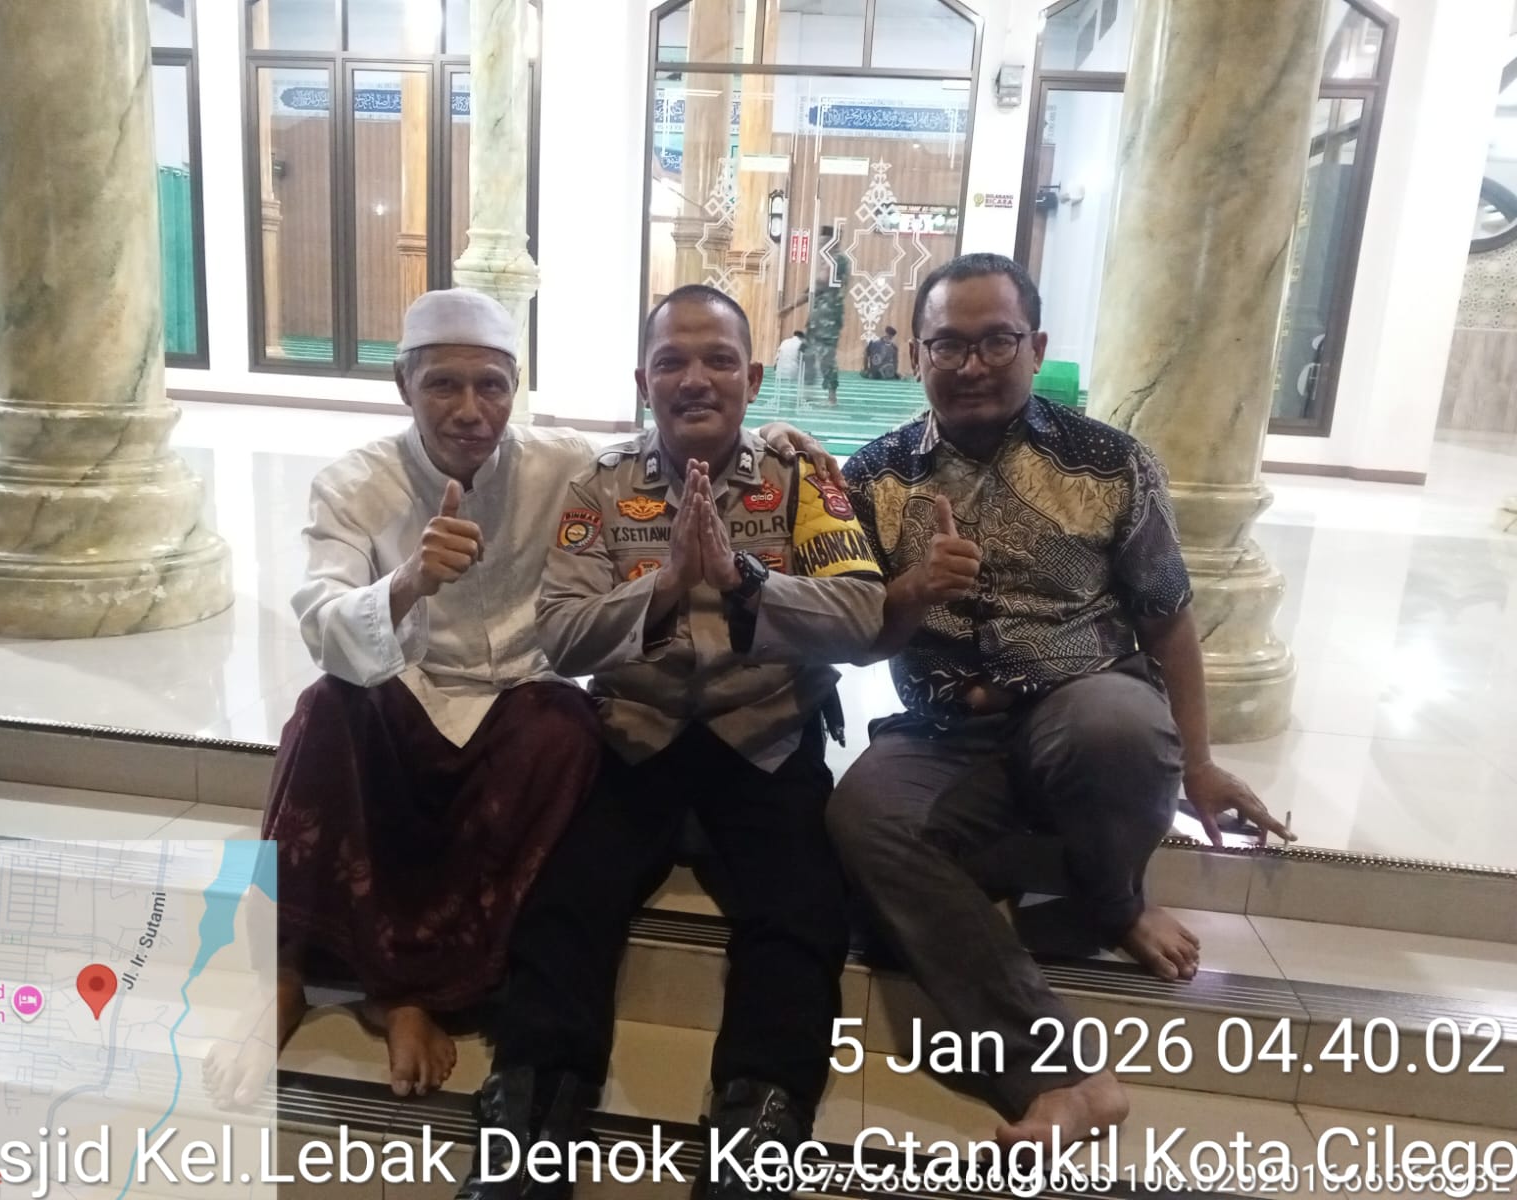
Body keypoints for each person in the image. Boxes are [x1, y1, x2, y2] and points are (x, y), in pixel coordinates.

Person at [257, 288, 838, 1101]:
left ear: (515, 389)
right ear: (403, 386)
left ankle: (413, 994)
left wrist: (768, 436)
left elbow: (675, 439)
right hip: (408, 695)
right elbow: (323, 622)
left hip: (523, 704)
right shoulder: (355, 484)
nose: (470, 410)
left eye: (490, 386)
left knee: (567, 728)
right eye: (443, 385)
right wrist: (408, 580)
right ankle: (289, 964)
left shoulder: (558, 464)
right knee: (325, 708)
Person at [828, 253, 1295, 1147]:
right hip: (943, 729)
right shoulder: (874, 476)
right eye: (948, 345)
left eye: (996, 341)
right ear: (916, 355)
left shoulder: (1110, 464)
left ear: (1035, 347)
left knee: (1116, 728)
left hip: (1080, 707)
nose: (971, 364)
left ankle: (1113, 898)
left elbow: (1168, 623)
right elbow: (858, 640)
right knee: (863, 816)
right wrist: (914, 592)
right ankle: (1062, 1076)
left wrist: (1198, 765)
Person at [457, 284, 885, 1200]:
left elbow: (861, 614)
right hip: (637, 736)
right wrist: (664, 585)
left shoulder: (803, 477)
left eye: (719, 360)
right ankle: (529, 1124)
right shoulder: (602, 484)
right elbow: (560, 635)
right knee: (565, 900)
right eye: (672, 362)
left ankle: (757, 1135)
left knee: (800, 912)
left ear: (752, 378)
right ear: (642, 380)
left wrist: (745, 580)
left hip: (766, 736)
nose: (695, 380)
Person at [805, 243, 849, 406]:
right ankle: (809, 392)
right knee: (807, 353)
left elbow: (823, 281)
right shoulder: (828, 259)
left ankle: (831, 396)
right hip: (817, 318)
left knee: (827, 358)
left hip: (828, 319)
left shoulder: (838, 260)